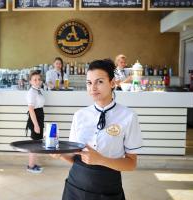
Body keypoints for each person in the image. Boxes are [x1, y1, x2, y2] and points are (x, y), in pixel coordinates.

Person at [51, 59, 142, 200]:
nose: (93, 87)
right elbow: (76, 158)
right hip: (75, 187)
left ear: (112, 83)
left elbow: (131, 163)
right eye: (89, 83)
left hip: (108, 188)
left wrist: (101, 160)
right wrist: (60, 154)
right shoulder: (79, 115)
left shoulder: (128, 116)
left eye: (99, 82)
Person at [26, 70, 45, 173]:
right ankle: (30, 166)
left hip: (39, 116)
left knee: (36, 143)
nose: (37, 81)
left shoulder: (38, 90)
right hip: (35, 118)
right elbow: (31, 110)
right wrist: (36, 125)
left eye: (39, 79)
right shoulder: (31, 93)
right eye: (35, 80)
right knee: (34, 143)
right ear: (30, 81)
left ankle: (33, 164)